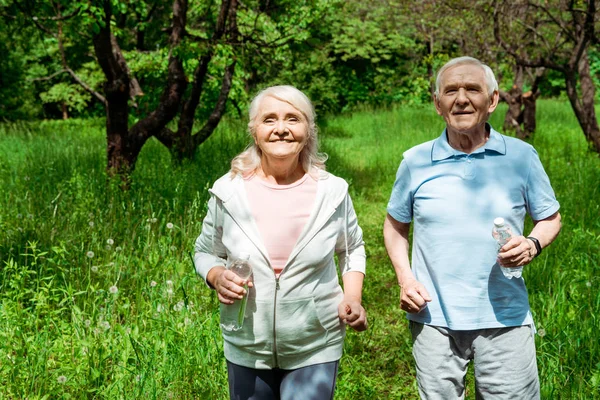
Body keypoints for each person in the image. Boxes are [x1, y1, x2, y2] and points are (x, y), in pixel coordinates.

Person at [383, 56, 561, 399]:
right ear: (438, 104)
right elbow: (394, 227)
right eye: (450, 91)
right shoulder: (414, 161)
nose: (461, 98)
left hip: (506, 316)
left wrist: (532, 244)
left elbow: (549, 218)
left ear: (492, 100)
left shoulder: (522, 157)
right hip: (432, 317)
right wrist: (405, 279)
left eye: (472, 89)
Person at [194, 85, 367, 400]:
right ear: (255, 131)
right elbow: (206, 252)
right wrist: (216, 276)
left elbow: (351, 249)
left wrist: (353, 298)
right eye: (269, 119)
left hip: (315, 343)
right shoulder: (228, 191)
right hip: (246, 344)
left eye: (293, 119)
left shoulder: (334, 192)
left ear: (308, 130)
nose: (281, 129)